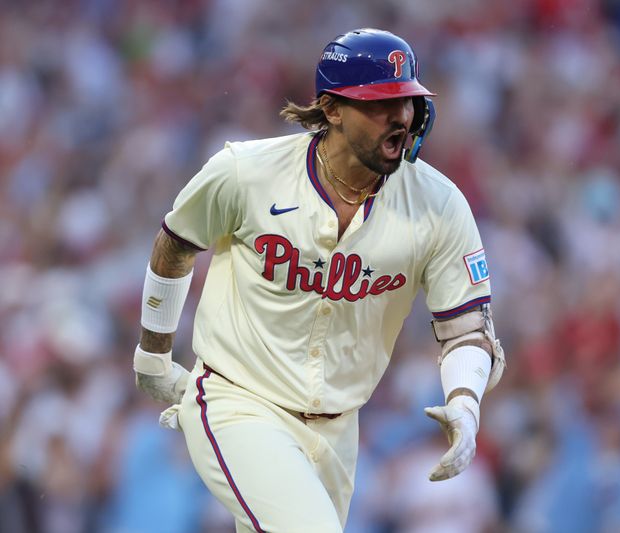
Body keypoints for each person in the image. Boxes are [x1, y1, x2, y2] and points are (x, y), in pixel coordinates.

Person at [132, 28, 505, 533]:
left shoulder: (439, 205)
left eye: (409, 101)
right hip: (239, 401)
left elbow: (465, 328)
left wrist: (465, 401)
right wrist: (153, 353)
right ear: (331, 109)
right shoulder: (247, 172)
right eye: (381, 103)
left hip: (338, 430)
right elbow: (177, 242)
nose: (401, 117)